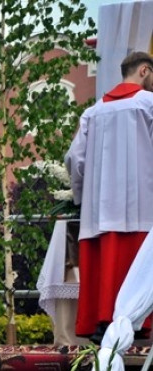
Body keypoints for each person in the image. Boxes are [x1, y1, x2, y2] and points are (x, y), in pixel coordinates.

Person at [65, 50, 153, 341]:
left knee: (106, 261)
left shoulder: (94, 110)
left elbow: (74, 159)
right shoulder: (148, 104)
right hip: (141, 202)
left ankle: (103, 320)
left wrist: (82, 198)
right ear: (143, 71)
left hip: (100, 208)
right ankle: (140, 324)